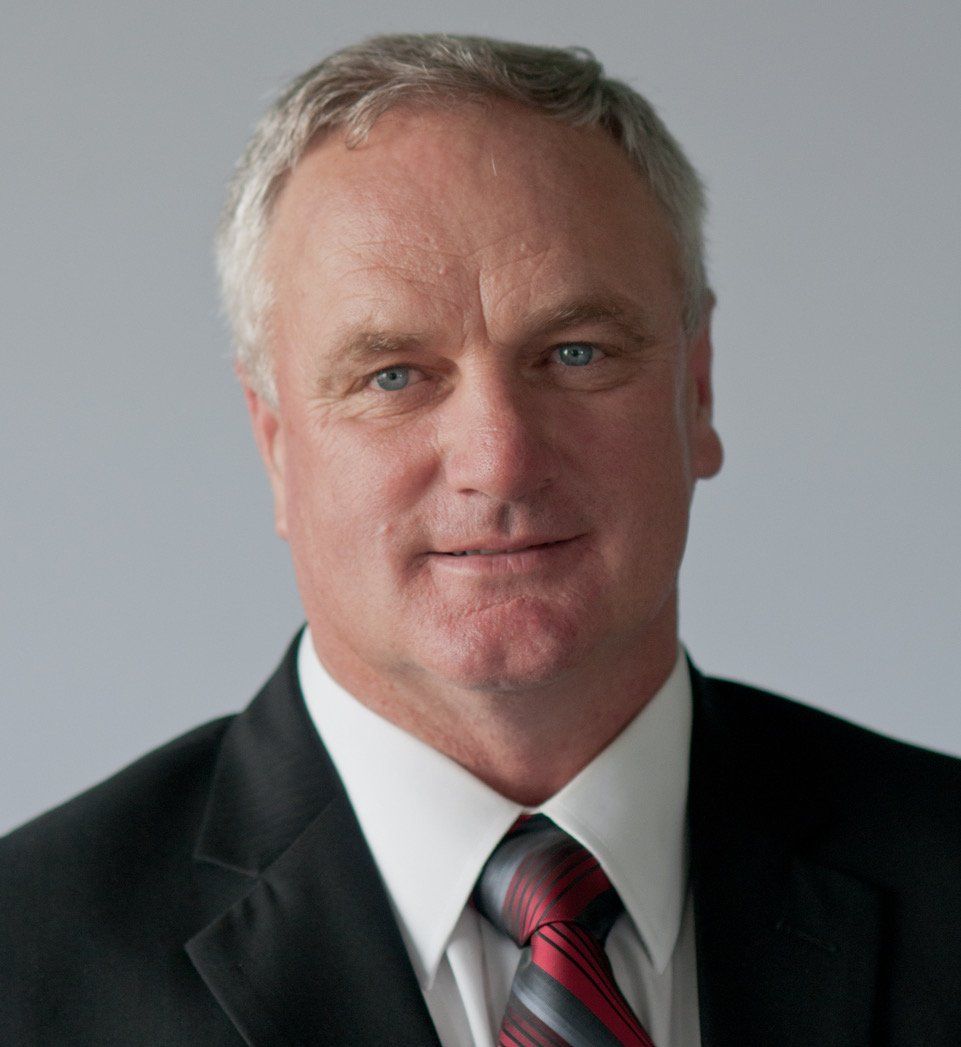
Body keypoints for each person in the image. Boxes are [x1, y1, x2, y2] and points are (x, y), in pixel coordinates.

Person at [2, 32, 959, 1047]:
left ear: (697, 384)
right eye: (393, 375)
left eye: (575, 353)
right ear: (276, 442)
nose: (499, 460)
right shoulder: (25, 973)